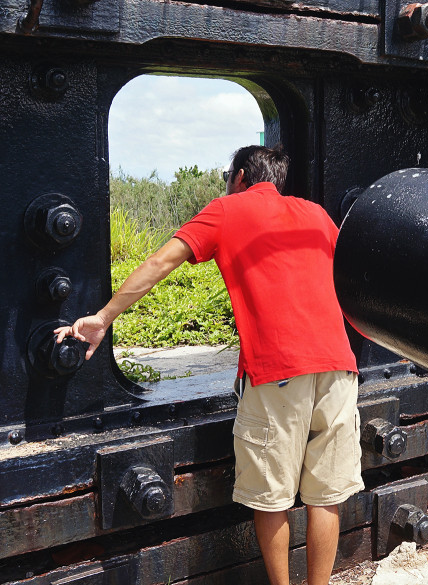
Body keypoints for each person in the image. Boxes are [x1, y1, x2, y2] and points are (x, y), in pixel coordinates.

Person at [54, 145, 364, 585]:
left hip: (276, 371)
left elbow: (161, 261)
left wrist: (103, 318)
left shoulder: (227, 209)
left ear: (239, 176)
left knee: (272, 499)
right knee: (326, 496)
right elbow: (350, 279)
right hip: (338, 368)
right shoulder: (316, 213)